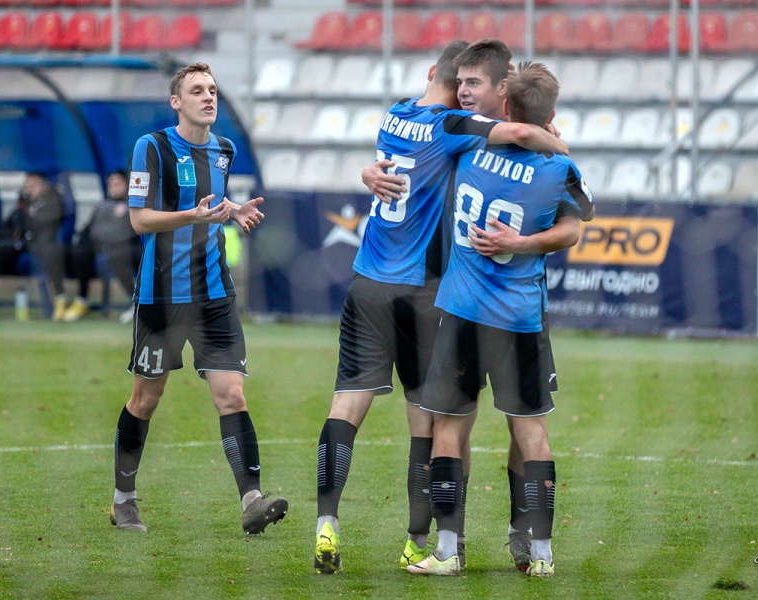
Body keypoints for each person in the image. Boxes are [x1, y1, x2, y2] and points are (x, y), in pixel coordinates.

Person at [313, 40, 569, 575]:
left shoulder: (406, 115)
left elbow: (567, 217)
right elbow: (530, 146)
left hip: (399, 286)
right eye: (463, 84)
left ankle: (509, 534)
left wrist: (367, 173)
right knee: (446, 425)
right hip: (441, 295)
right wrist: (558, 145)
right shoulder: (464, 133)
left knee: (503, 427)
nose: (465, 93)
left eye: (475, 84)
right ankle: (438, 540)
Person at [406, 61, 595, 577]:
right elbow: (577, 225)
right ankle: (541, 554)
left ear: (506, 103)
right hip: (520, 318)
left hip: (463, 311)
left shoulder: (468, 145)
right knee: (531, 433)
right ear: (551, 114)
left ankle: (448, 551)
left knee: (448, 428)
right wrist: (525, 242)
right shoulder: (559, 168)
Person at [108, 62, 288, 536]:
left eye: (212, 89)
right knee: (146, 398)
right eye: (197, 91)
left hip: (215, 295)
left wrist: (234, 211)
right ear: (176, 102)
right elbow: (140, 220)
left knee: (232, 395)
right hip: (162, 297)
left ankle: (252, 501)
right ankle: (123, 501)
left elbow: (211, 205)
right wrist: (192, 215)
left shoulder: (224, 150)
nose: (208, 97)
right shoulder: (151, 147)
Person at [63, 170, 140, 323]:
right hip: (97, 246)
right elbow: (88, 228)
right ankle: (81, 299)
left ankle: (137, 301)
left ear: (127, 185)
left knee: (117, 256)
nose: (114, 187)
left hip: (122, 247)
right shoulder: (102, 205)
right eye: (111, 184)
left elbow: (132, 231)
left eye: (117, 184)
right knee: (79, 252)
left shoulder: (132, 205)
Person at [0, 172, 70, 321]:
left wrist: (29, 213)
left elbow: (46, 225)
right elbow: (6, 227)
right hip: (24, 244)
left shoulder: (53, 201)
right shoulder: (23, 205)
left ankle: (60, 298)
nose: (29, 189)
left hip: (45, 245)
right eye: (27, 186)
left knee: (50, 253)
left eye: (33, 185)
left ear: (44, 185)